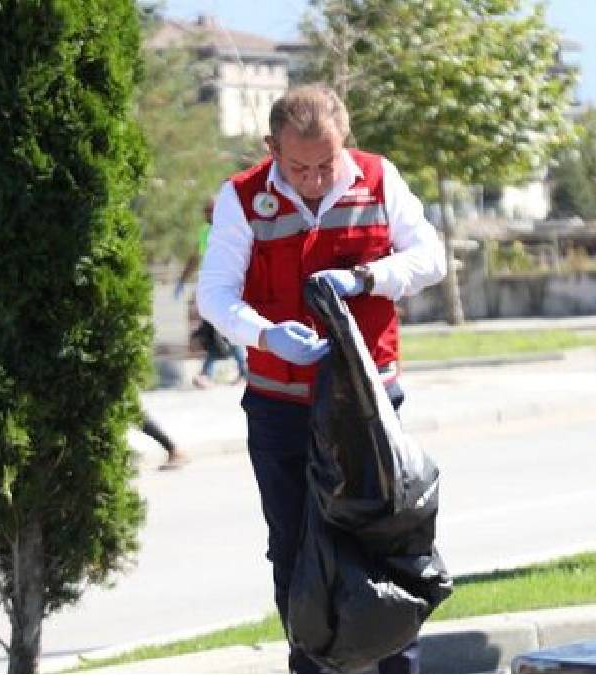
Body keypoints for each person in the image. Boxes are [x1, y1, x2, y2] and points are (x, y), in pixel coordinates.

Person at [196, 83, 447, 673]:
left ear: (345, 143)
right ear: (271, 148)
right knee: (293, 548)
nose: (313, 178)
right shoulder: (241, 197)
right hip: (280, 405)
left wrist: (367, 278)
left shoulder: (379, 179)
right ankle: (309, 665)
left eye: (325, 163)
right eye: (299, 166)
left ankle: (397, 667)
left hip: (367, 403)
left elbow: (430, 258)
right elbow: (215, 295)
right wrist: (265, 333)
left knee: (383, 542)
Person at [178, 201, 249, 388]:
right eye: (205, 212)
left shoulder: (229, 229)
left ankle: (222, 373)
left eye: (210, 211)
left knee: (221, 330)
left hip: (227, 288)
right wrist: (183, 280)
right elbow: (196, 257)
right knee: (214, 331)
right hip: (209, 288)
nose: (207, 215)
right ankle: (215, 373)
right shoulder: (205, 231)